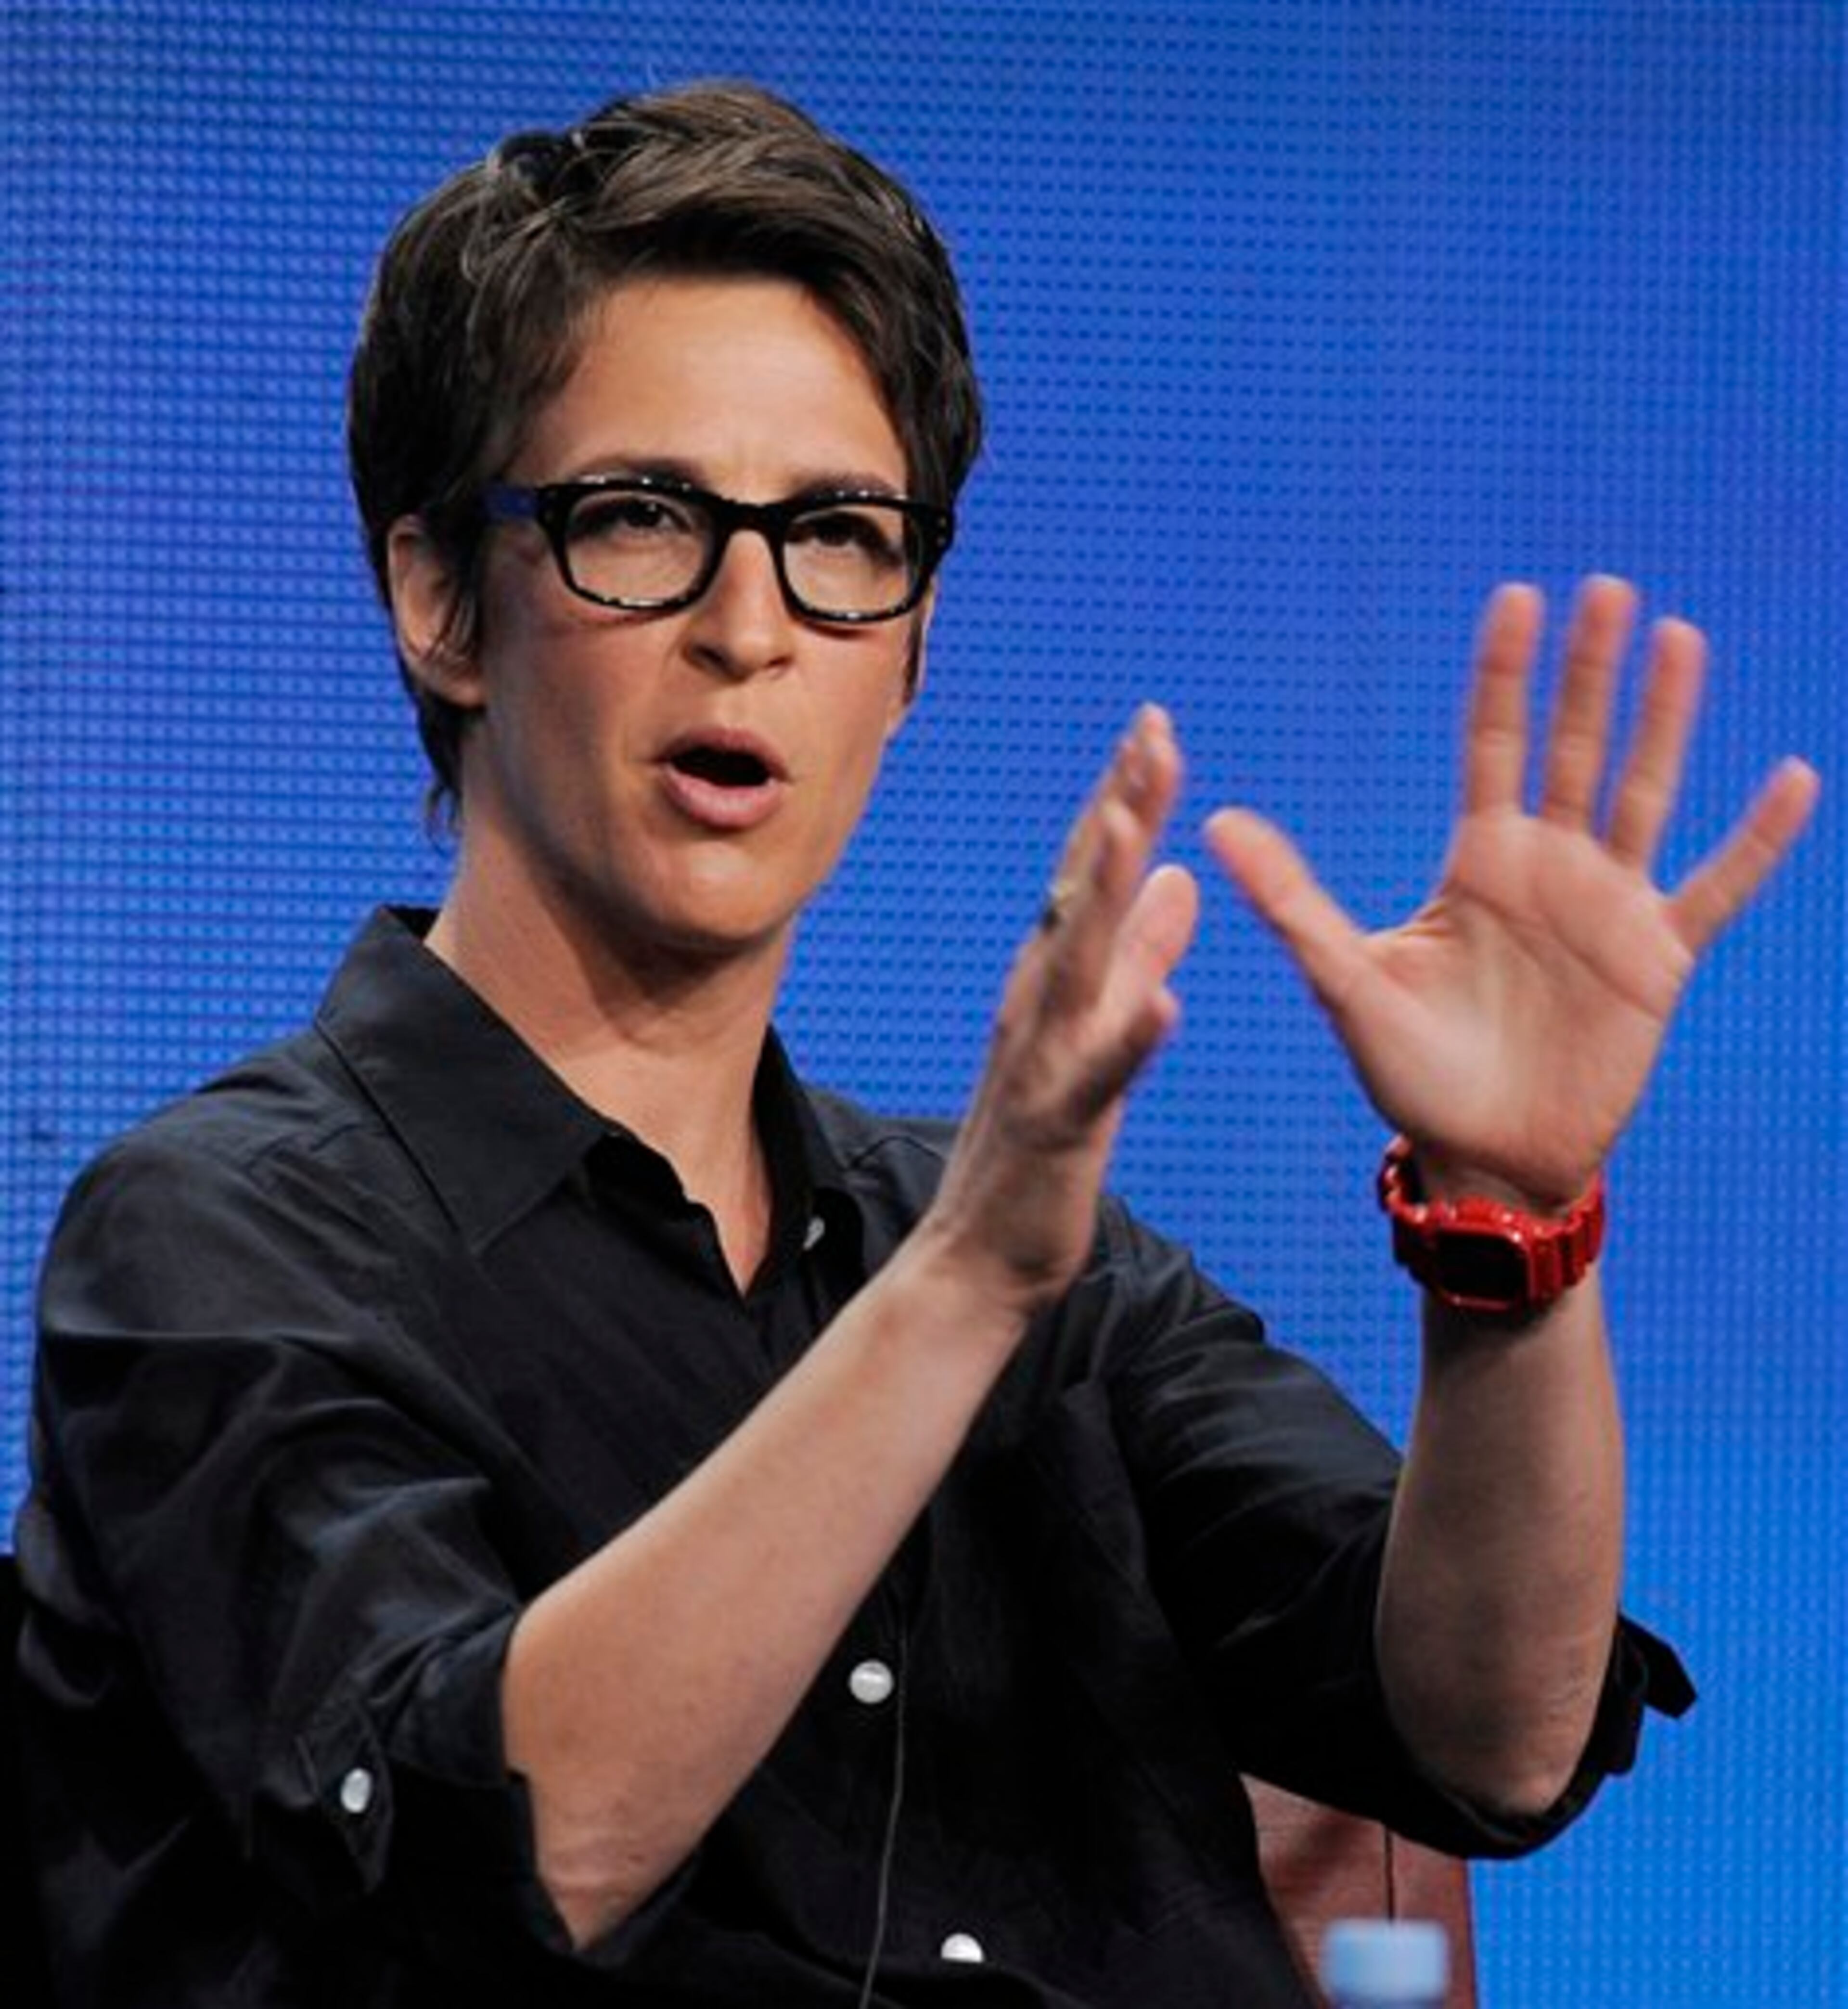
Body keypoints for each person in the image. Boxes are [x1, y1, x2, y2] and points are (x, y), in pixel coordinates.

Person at [14, 79, 1818, 2009]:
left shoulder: (1063, 1281)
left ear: (914, 651)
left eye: (839, 538)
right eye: (641, 518)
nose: (749, 622)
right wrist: (963, 1285)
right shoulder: (215, 1246)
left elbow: (1492, 1737)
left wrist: (1510, 1235)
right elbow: (490, 1848)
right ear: (445, 600)